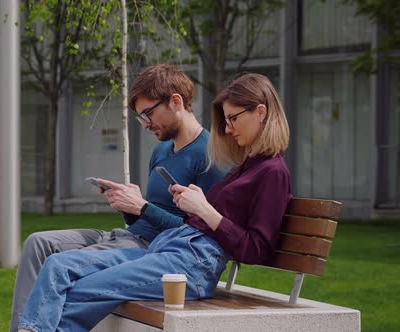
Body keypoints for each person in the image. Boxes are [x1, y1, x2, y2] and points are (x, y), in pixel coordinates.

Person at [17, 72, 292, 332]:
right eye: (226, 121)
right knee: (58, 266)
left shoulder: (273, 172)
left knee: (81, 289)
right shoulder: (247, 166)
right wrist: (187, 204)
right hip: (168, 248)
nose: (228, 129)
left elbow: (258, 249)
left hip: (193, 263)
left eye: (233, 119)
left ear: (261, 111)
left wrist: (204, 209)